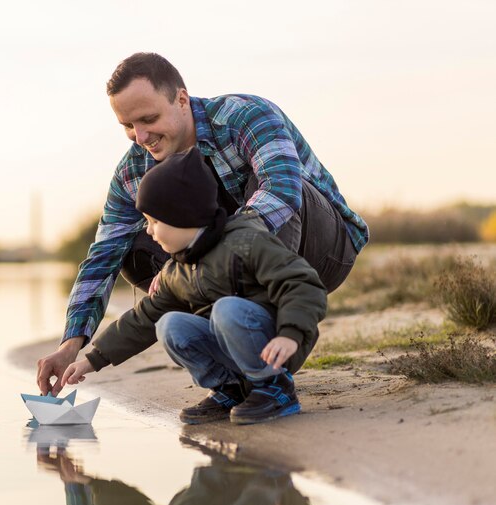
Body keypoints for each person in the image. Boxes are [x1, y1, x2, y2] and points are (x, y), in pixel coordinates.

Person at [37, 52, 367, 396]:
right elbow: (103, 255)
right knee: (135, 249)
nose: (141, 136)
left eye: (149, 119)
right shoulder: (132, 171)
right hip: (232, 273)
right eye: (127, 126)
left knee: (270, 189)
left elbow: (282, 192)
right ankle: (230, 375)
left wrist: (206, 257)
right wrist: (71, 344)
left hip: (323, 248)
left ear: (181, 99)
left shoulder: (246, 116)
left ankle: (271, 368)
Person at [60, 147, 327, 425]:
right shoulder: (178, 269)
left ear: (182, 217)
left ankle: (275, 388)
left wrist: (290, 334)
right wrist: (92, 360)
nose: (148, 231)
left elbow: (302, 283)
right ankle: (231, 389)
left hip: (278, 344)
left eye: (153, 222)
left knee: (226, 310)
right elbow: (142, 320)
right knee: (169, 324)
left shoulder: (246, 240)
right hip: (233, 345)